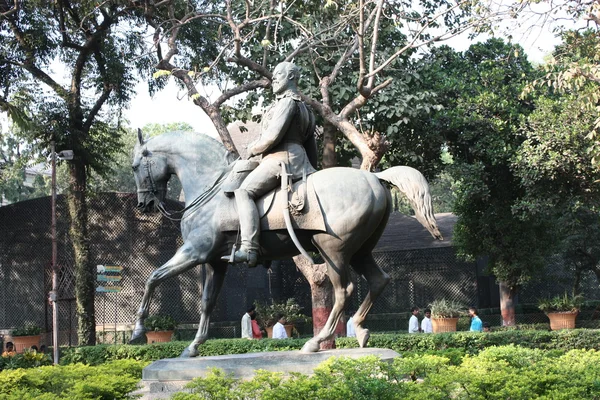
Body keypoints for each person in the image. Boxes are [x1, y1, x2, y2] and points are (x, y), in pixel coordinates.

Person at [229, 61, 318, 267]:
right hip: (300, 161)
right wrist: (312, 170)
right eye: (274, 74)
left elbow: (271, 136)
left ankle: (249, 248)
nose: (274, 78)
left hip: (279, 160)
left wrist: (252, 148)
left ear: (292, 78)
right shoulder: (306, 108)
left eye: (279, 74)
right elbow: (311, 147)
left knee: (244, 192)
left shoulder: (287, 103)